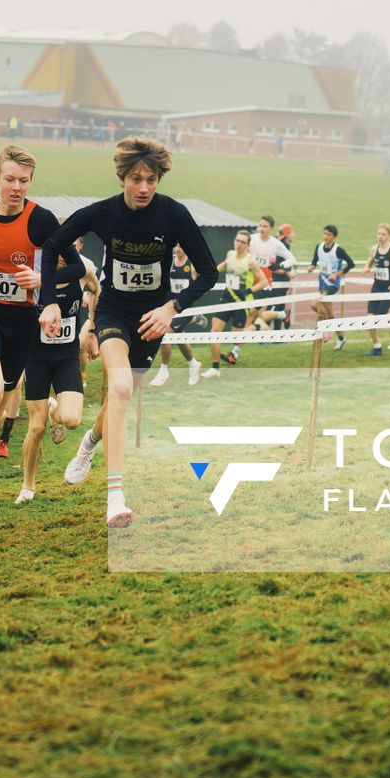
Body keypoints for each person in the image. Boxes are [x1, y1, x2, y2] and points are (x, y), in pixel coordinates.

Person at [41, 138, 220, 528]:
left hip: (152, 319)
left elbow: (209, 271)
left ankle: (89, 444)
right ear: (123, 177)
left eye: (151, 179)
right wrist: (49, 301)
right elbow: (52, 242)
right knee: (120, 389)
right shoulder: (105, 213)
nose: (144, 187)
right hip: (114, 313)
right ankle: (115, 497)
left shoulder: (173, 214)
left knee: (119, 400)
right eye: (136, 179)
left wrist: (172, 308)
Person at [0, 145, 84, 520]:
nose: (16, 187)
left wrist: (41, 278)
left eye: (24, 181)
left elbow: (77, 268)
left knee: (2, 396)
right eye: (10, 179)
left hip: (23, 322)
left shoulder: (40, 220)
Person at [19, 255, 98, 504]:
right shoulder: (34, 274)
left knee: (72, 420)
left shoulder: (83, 270)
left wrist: (92, 326)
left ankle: (55, 411)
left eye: (68, 249)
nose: (63, 257)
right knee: (37, 427)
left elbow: (97, 290)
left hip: (67, 357)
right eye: (58, 251)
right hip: (36, 357)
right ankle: (28, 486)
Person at [151, 245, 202, 385]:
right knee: (179, 337)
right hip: (172, 308)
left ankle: (164, 370)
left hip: (186, 309)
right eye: (176, 246)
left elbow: (206, 277)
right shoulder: (170, 262)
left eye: (181, 246)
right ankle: (193, 364)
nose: (178, 249)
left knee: (165, 332)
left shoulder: (192, 264)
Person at [210, 229, 256, 369]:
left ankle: (257, 326)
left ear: (248, 245)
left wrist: (248, 290)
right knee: (214, 332)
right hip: (226, 299)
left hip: (241, 303)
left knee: (236, 338)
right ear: (234, 241)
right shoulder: (230, 254)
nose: (239, 244)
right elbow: (222, 267)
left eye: (243, 242)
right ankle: (215, 368)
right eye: (237, 240)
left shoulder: (250, 261)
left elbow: (264, 282)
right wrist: (207, 271)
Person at [246, 216, 295, 332]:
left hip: (264, 283)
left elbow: (292, 259)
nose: (261, 228)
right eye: (260, 225)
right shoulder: (252, 239)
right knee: (255, 314)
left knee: (251, 311)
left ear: (271, 229)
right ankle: (281, 315)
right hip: (249, 280)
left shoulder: (276, 244)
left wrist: (280, 266)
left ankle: (237, 347)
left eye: (265, 226)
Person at [310, 224, 354, 350]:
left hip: (333, 284)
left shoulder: (338, 250)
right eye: (325, 234)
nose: (326, 237)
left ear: (335, 237)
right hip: (322, 283)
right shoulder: (318, 247)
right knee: (330, 313)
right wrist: (311, 267)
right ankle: (341, 338)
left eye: (329, 235)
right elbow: (314, 260)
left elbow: (351, 264)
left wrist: (337, 274)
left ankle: (327, 329)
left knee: (314, 304)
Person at [364, 223, 390, 356]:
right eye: (378, 234)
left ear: (389, 236)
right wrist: (367, 267)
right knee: (370, 319)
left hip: (388, 289)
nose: (380, 236)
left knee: (379, 320)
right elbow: (370, 260)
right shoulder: (374, 249)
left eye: (383, 234)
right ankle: (377, 347)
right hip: (376, 287)